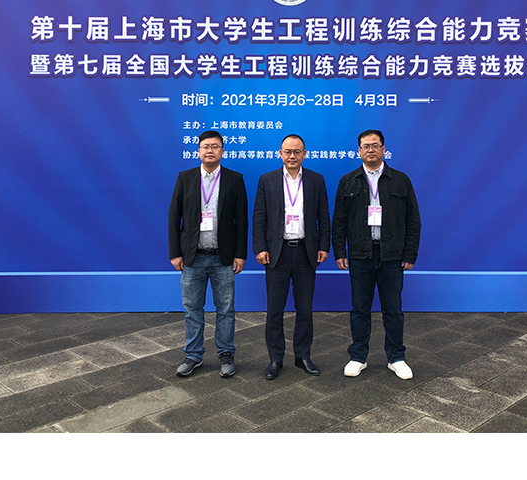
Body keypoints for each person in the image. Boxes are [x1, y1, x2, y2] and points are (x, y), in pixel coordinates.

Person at [332, 129, 421, 379]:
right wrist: (339, 250)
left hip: (391, 255)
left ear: (384, 149)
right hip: (360, 254)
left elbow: (413, 219)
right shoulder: (348, 181)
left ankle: (396, 357)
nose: (370, 150)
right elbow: (339, 220)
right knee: (360, 309)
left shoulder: (400, 180)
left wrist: (410, 253)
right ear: (358, 151)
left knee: (393, 310)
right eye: (365, 146)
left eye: (375, 145)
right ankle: (358, 356)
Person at [168, 130, 248, 378]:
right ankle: (193, 355)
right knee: (192, 309)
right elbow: (174, 216)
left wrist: (240, 254)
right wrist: (175, 252)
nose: (210, 150)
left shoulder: (235, 179)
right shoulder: (185, 178)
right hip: (192, 257)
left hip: (223, 258)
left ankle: (226, 354)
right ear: (199, 151)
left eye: (215, 146)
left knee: (226, 310)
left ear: (222, 150)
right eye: (205, 146)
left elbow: (242, 220)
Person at [253, 134, 331, 380]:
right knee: (274, 309)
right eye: (287, 151)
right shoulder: (267, 180)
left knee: (305, 308)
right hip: (277, 253)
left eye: (297, 151)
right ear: (280, 153)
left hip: (306, 252)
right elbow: (259, 217)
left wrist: (324, 246)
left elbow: (323, 216)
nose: (292, 156)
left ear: (304, 154)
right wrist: (260, 248)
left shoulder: (316, 180)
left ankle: (302, 355)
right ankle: (275, 358)